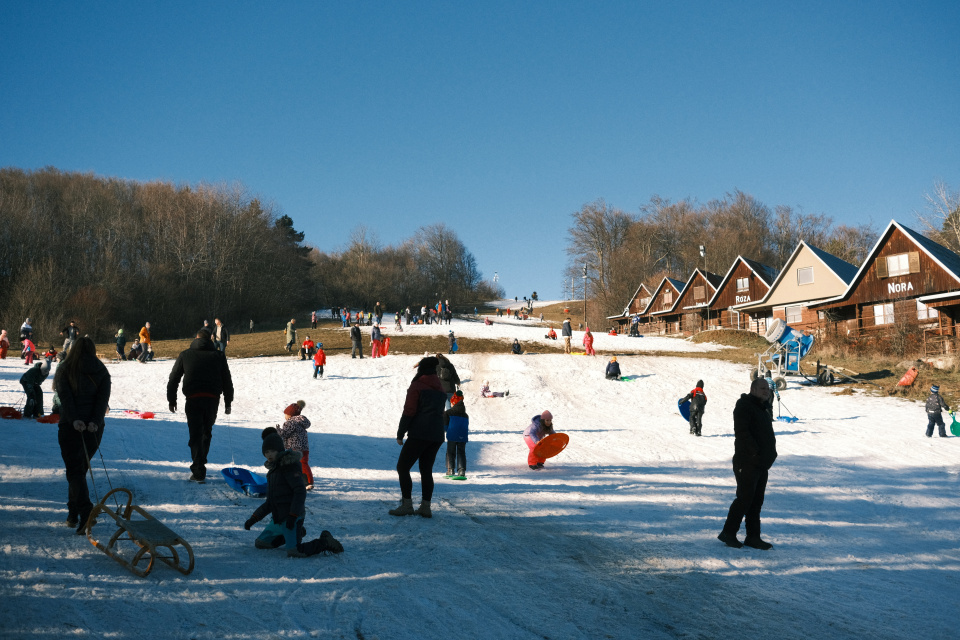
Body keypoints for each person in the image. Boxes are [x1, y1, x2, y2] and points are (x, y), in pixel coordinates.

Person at [243, 428, 343, 557]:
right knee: (261, 543)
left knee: (294, 551)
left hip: (292, 517)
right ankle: (297, 533)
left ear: (280, 449)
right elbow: (270, 502)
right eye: (266, 452)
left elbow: (300, 491)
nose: (269, 455)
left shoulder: (289, 466)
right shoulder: (273, 471)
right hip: (278, 519)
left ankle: (325, 542)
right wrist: (253, 518)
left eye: (272, 451)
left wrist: (293, 515)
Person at [54, 336, 111, 534]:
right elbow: (102, 400)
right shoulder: (102, 370)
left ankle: (85, 511)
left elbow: (65, 397)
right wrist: (94, 421)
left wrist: (74, 419)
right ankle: (73, 514)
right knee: (79, 470)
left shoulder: (65, 368)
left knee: (74, 470)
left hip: (71, 427)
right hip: (94, 429)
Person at [167, 328, 234, 483]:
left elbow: (173, 378)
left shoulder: (185, 355)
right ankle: (200, 463)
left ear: (196, 338)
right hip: (212, 399)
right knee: (206, 431)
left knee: (196, 433)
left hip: (193, 399)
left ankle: (198, 469)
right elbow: (227, 380)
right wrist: (228, 402)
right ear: (210, 338)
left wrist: (172, 400)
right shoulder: (218, 355)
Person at [718, 378, 778, 550]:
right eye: (762, 388)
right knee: (744, 499)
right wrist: (755, 453)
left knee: (756, 501)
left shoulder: (763, 407)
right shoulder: (744, 406)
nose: (766, 391)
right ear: (753, 389)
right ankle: (728, 533)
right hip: (747, 461)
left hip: (761, 464)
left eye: (767, 388)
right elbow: (742, 432)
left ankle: (753, 537)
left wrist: (769, 455)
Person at [389, 356, 447, 518]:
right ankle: (426, 507)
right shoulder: (440, 388)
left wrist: (401, 433)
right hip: (436, 435)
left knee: (402, 467)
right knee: (426, 470)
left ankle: (407, 505)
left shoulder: (417, 385)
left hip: (420, 433)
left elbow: (409, 411)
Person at [277, 400, 314, 489]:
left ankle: (291, 482)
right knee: (304, 464)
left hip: (293, 448)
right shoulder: (302, 422)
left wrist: (278, 431)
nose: (285, 416)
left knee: (291, 465)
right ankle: (308, 482)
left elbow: (285, 433)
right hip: (304, 448)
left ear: (290, 415)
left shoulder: (290, 423)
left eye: (285, 414)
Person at [444, 390, 469, 478]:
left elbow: (445, 426)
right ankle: (461, 470)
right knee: (461, 452)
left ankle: (450, 469)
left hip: (452, 435)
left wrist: (448, 431)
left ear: (454, 402)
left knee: (450, 452)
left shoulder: (448, 413)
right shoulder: (465, 415)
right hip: (463, 436)